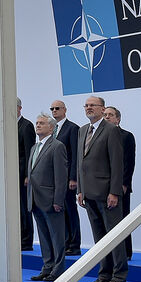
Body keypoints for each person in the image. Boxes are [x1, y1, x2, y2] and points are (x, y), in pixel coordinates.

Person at [76, 96, 128, 282]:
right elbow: (80, 162)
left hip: (107, 194)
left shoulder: (111, 130)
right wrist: (80, 189)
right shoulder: (82, 130)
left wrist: (114, 192)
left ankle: (119, 277)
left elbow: (117, 163)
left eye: (93, 105)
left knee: (114, 237)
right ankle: (104, 275)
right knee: (99, 238)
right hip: (88, 193)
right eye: (86, 105)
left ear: (102, 108)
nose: (89, 108)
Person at [27, 113, 68, 282]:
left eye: (42, 123)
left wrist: (58, 200)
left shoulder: (57, 146)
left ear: (51, 128)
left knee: (56, 237)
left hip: (50, 199)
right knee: (43, 236)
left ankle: (57, 270)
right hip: (35, 198)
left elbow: (61, 176)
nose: (37, 125)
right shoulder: (34, 147)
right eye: (37, 123)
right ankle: (47, 267)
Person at [51, 99, 82, 255]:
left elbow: (76, 154)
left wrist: (73, 177)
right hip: (55, 178)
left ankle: (74, 244)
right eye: (52, 109)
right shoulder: (53, 129)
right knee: (60, 211)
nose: (54, 111)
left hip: (68, 178)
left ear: (65, 110)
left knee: (70, 210)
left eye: (57, 108)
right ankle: (64, 242)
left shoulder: (72, 128)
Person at [104, 106, 135, 259]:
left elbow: (129, 162)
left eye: (110, 115)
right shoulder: (99, 136)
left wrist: (124, 184)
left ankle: (126, 252)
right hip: (103, 186)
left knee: (123, 220)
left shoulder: (126, 136)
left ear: (118, 119)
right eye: (105, 115)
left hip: (120, 187)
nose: (107, 117)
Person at [17, 99, 36, 251]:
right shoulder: (7, 125)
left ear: (19, 108)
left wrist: (27, 175)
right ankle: (17, 237)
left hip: (22, 173)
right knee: (15, 208)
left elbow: (30, 152)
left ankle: (26, 240)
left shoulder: (26, 125)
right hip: (10, 175)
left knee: (24, 207)